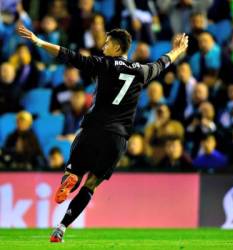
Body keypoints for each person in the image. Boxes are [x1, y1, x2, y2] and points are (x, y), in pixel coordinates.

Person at [17, 25, 188, 242]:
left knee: (75, 171)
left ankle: (71, 178)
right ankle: (61, 227)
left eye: (107, 43)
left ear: (117, 47)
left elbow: (70, 56)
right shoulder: (141, 71)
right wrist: (178, 50)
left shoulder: (103, 64)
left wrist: (40, 42)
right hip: (117, 138)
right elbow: (163, 62)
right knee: (92, 185)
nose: (103, 46)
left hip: (92, 130)